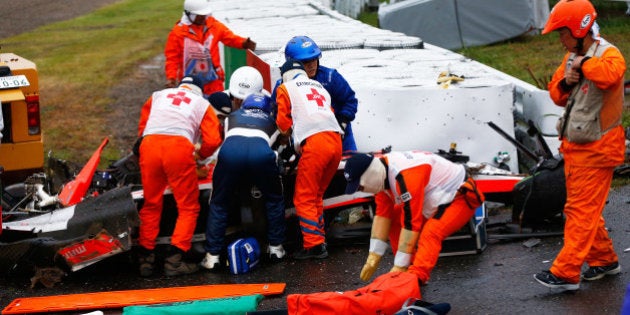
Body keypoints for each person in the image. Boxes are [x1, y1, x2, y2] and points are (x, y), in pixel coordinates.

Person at [532, 0, 626, 291]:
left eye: (562, 32)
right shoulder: (573, 55)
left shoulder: (608, 54)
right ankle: (605, 260)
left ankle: (565, 272)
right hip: (576, 148)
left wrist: (582, 65)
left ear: (580, 29)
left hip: (598, 149)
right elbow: (556, 95)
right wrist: (565, 82)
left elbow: (611, 75)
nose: (560, 39)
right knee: (585, 210)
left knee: (580, 212)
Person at [343, 151, 484, 286]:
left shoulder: (405, 176)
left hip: (459, 196)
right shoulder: (381, 174)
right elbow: (383, 216)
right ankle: (408, 268)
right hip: (434, 196)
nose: (361, 190)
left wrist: (399, 265)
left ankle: (416, 277)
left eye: (360, 186)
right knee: (394, 219)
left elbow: (411, 224)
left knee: (431, 233)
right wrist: (373, 255)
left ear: (369, 175)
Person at [136, 76, 223, 277]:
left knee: (151, 203)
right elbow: (213, 139)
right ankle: (174, 260)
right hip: (178, 148)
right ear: (200, 91)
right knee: (188, 206)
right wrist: (199, 156)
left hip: (149, 146)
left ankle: (146, 259)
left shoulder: (158, 96)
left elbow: (143, 128)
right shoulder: (202, 103)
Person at [200, 93, 286, 271]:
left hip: (230, 155)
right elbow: (281, 148)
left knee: (218, 204)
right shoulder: (272, 121)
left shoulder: (231, 118)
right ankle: (276, 248)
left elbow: (221, 142)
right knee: (274, 200)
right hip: (261, 156)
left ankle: (212, 257)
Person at [275, 60, 343, 259]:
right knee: (316, 195)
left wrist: (285, 136)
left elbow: (282, 122)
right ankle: (319, 239)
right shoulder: (320, 87)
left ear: (285, 75)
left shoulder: (285, 88)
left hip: (316, 143)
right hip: (336, 141)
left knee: (303, 197)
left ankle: (314, 246)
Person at [272, 35, 358, 153]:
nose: (312, 65)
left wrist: (341, 123)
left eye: (314, 59)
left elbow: (350, 101)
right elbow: (275, 112)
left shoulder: (331, 77)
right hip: (305, 141)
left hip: (340, 139)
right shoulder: (282, 85)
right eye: (306, 61)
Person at [164, 0, 256, 96]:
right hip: (189, 84)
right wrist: (171, 77)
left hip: (214, 82)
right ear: (189, 14)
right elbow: (172, 58)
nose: (203, 18)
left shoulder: (213, 25)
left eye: (204, 14)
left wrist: (244, 43)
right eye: (199, 15)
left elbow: (230, 38)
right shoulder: (177, 33)